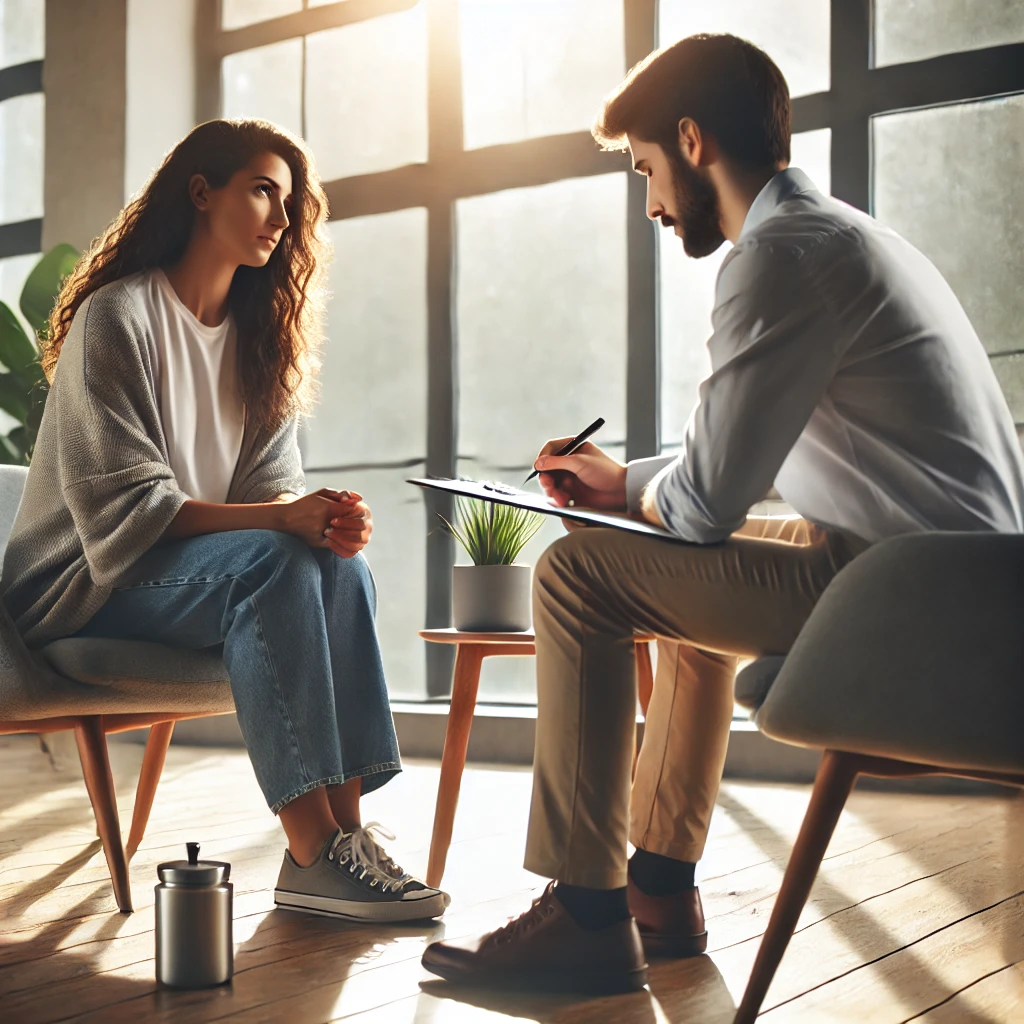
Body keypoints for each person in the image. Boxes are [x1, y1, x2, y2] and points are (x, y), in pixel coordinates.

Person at [422, 33, 1024, 991]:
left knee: (579, 573)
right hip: (948, 588)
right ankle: (658, 887)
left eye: (645, 168)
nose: (652, 201)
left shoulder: (778, 258)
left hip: (913, 610)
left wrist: (645, 508)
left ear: (692, 141)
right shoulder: (843, 239)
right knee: (665, 562)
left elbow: (702, 508)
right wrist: (623, 488)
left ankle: (585, 911)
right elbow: (736, 462)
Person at [1, 118, 448, 923]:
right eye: (262, 190)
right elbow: (123, 513)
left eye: (290, 199)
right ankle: (309, 850)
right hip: (82, 587)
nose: (282, 216)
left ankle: (345, 838)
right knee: (274, 562)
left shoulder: (259, 341)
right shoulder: (118, 318)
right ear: (201, 193)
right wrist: (285, 522)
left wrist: (327, 523)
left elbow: (275, 498)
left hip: (193, 581)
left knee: (338, 565)